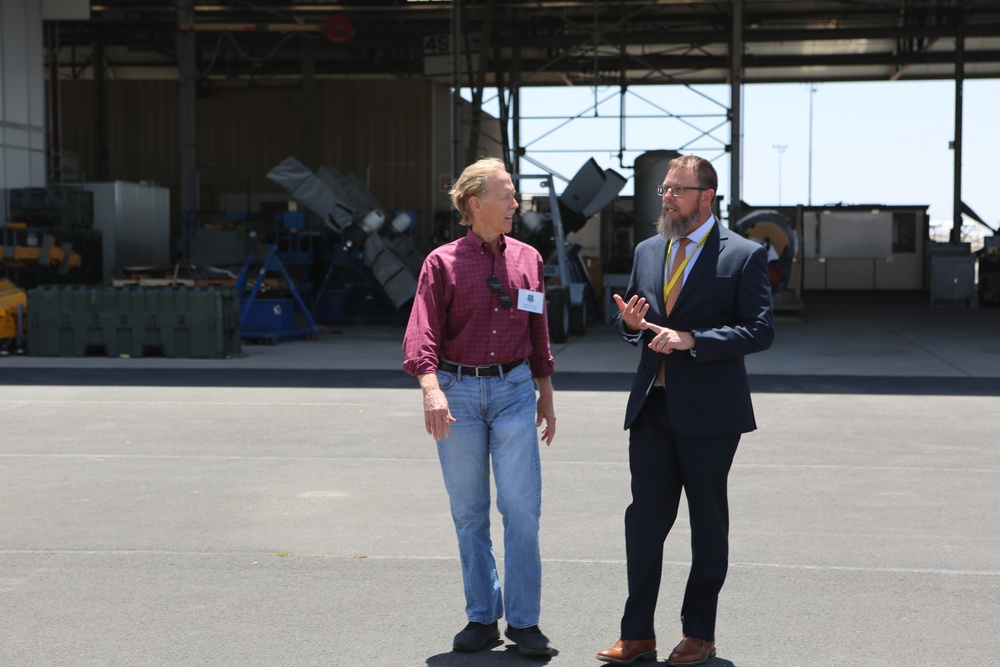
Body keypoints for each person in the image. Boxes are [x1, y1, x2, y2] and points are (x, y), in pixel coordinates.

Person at [597, 155, 774, 666]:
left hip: (711, 415)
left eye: (678, 189)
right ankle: (637, 635)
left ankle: (699, 632)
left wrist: (692, 339)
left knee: (706, 523)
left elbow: (759, 330)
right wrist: (632, 324)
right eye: (664, 190)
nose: (668, 197)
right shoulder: (649, 250)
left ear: (707, 196)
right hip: (653, 406)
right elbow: (636, 326)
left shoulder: (742, 255)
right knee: (644, 523)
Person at [402, 157, 557, 657]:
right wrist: (431, 388)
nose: (516, 203)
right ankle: (482, 617)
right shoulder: (441, 263)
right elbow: (422, 331)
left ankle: (526, 622)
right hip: (459, 393)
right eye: (507, 195)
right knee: (469, 513)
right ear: (475, 204)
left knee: (521, 510)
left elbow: (538, 332)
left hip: (514, 389)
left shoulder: (529, 259)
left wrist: (546, 395)